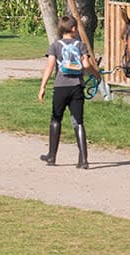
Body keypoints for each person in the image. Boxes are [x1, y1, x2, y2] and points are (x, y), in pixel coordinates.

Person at [37, 18, 90, 169]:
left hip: (60, 87)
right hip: (77, 87)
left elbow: (50, 66)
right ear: (73, 29)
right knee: (78, 122)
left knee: (56, 119)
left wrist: (43, 87)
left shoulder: (55, 46)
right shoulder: (80, 45)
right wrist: (96, 74)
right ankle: (83, 159)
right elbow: (86, 65)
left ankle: (52, 156)